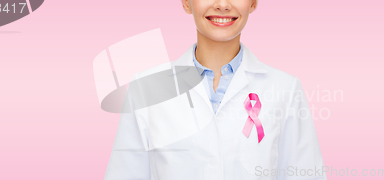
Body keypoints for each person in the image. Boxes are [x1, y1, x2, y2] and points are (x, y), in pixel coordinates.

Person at [104, 0, 326, 179]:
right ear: (186, 3)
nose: (222, 4)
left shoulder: (285, 89)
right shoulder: (147, 89)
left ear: (253, 3)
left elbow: (305, 173)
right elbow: (125, 173)